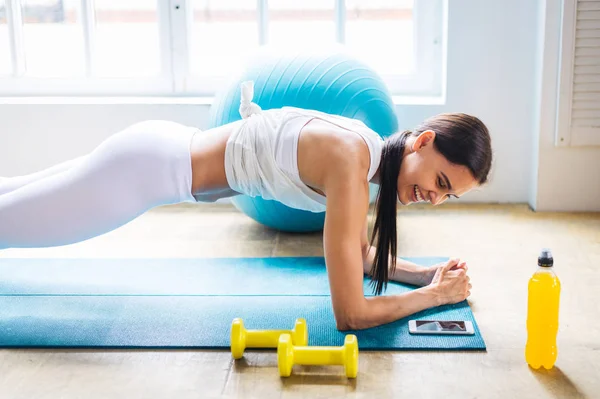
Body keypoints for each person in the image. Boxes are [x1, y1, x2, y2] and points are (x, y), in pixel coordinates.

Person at [0, 82, 492, 330]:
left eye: (449, 195)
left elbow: (361, 257)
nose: (434, 197)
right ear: (423, 142)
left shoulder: (363, 156)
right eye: (440, 181)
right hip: (143, 174)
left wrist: (427, 275)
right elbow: (350, 313)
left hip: (152, 154)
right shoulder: (351, 164)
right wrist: (436, 298)